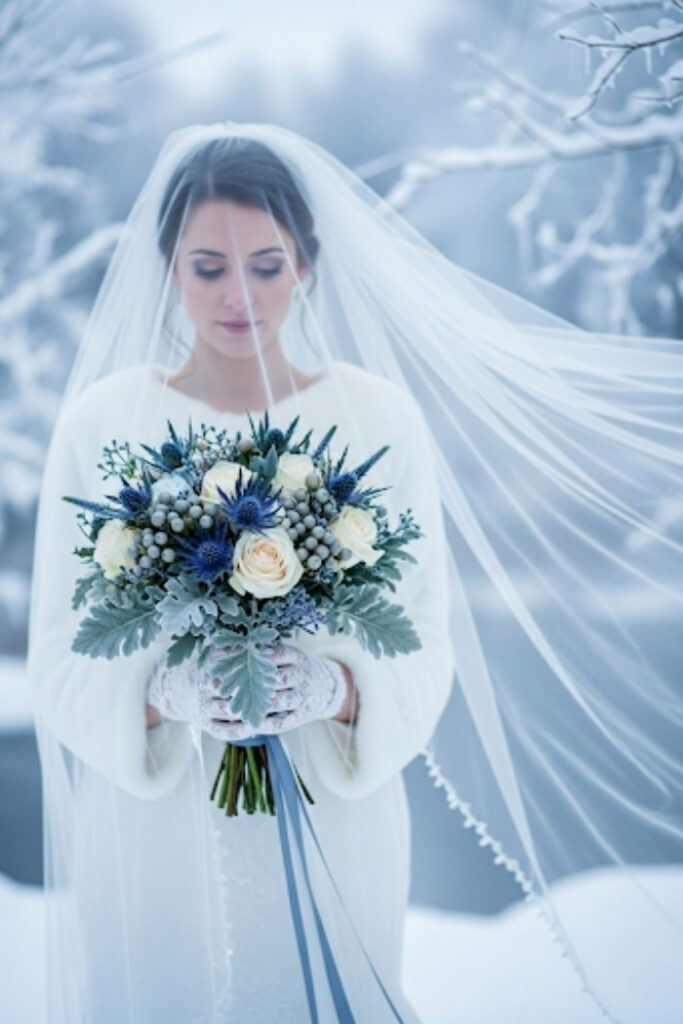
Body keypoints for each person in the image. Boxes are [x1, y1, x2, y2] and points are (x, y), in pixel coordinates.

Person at [27, 121, 683, 1024]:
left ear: (307, 263)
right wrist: (158, 694)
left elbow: (423, 644)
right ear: (167, 266)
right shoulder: (100, 424)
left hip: (332, 819)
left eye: (266, 263)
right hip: (152, 837)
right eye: (207, 266)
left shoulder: (376, 419)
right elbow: (57, 657)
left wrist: (337, 690)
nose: (239, 295)